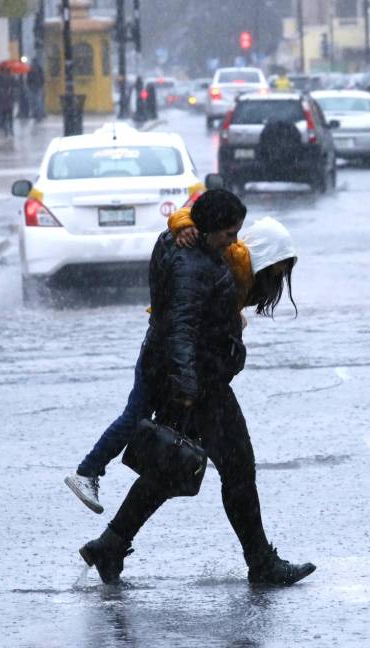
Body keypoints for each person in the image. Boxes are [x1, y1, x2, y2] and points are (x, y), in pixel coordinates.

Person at [72, 190, 313, 586]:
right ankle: (261, 563)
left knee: (170, 468)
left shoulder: (209, 257)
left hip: (196, 378)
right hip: (200, 383)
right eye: (276, 272)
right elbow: (182, 327)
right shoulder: (197, 264)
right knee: (234, 469)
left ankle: (110, 545)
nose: (233, 240)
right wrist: (187, 386)